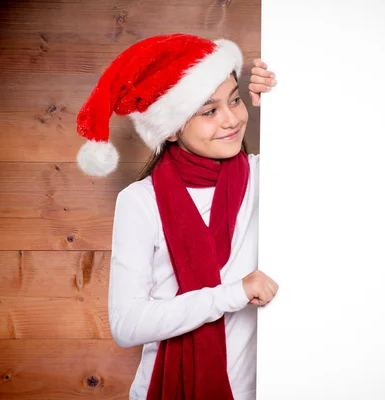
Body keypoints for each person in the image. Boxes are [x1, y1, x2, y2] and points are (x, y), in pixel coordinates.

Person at [74, 34, 279, 400]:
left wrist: (285, 100)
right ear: (170, 129)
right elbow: (127, 324)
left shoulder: (266, 177)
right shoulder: (140, 201)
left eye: (235, 99)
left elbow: (335, 148)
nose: (232, 119)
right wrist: (233, 294)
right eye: (209, 110)